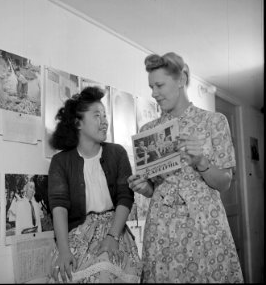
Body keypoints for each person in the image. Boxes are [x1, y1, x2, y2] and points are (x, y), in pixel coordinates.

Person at [128, 52, 244, 283]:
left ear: (181, 79)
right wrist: (144, 187)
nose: (154, 93)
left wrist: (201, 162)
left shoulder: (214, 122)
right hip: (162, 228)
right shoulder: (147, 131)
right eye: (151, 87)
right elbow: (155, 189)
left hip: (205, 225)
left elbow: (225, 183)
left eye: (159, 85)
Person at [48, 86, 142, 283]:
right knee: (66, 275)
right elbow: (59, 207)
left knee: (108, 273)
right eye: (97, 116)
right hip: (77, 234)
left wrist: (113, 237)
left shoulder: (117, 153)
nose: (104, 122)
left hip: (114, 230)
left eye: (105, 116)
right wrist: (64, 251)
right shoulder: (60, 162)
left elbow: (126, 197)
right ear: (78, 123)